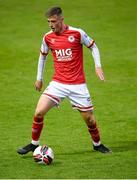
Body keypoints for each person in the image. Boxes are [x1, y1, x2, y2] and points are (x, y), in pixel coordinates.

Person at [17, 6, 111, 155]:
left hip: (78, 85)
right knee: (39, 112)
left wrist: (97, 66)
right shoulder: (47, 37)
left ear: (61, 19)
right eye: (48, 21)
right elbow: (43, 56)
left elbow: (94, 47)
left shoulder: (77, 33)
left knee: (90, 120)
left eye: (53, 21)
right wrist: (39, 78)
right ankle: (34, 144)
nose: (51, 25)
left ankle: (97, 144)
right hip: (58, 84)